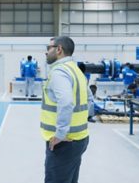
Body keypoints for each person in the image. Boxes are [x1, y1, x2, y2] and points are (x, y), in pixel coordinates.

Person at [41, 36, 89, 183]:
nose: (46, 52)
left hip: (64, 142)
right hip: (80, 138)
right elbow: (90, 99)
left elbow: (67, 102)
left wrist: (60, 134)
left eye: (48, 48)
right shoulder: (76, 70)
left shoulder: (59, 72)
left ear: (59, 49)